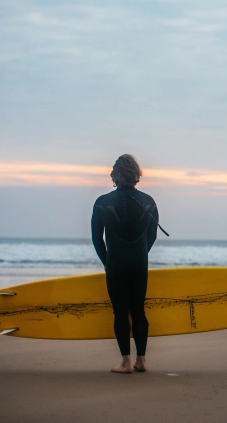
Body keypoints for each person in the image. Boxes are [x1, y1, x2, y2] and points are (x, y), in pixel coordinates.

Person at [91, 154, 159, 374]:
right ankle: (141, 360)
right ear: (136, 174)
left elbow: (96, 238)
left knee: (120, 311)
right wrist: (139, 254)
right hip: (139, 263)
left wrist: (107, 261)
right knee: (138, 309)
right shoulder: (149, 201)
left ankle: (125, 363)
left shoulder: (102, 202)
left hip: (116, 264)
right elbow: (152, 236)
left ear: (115, 175)